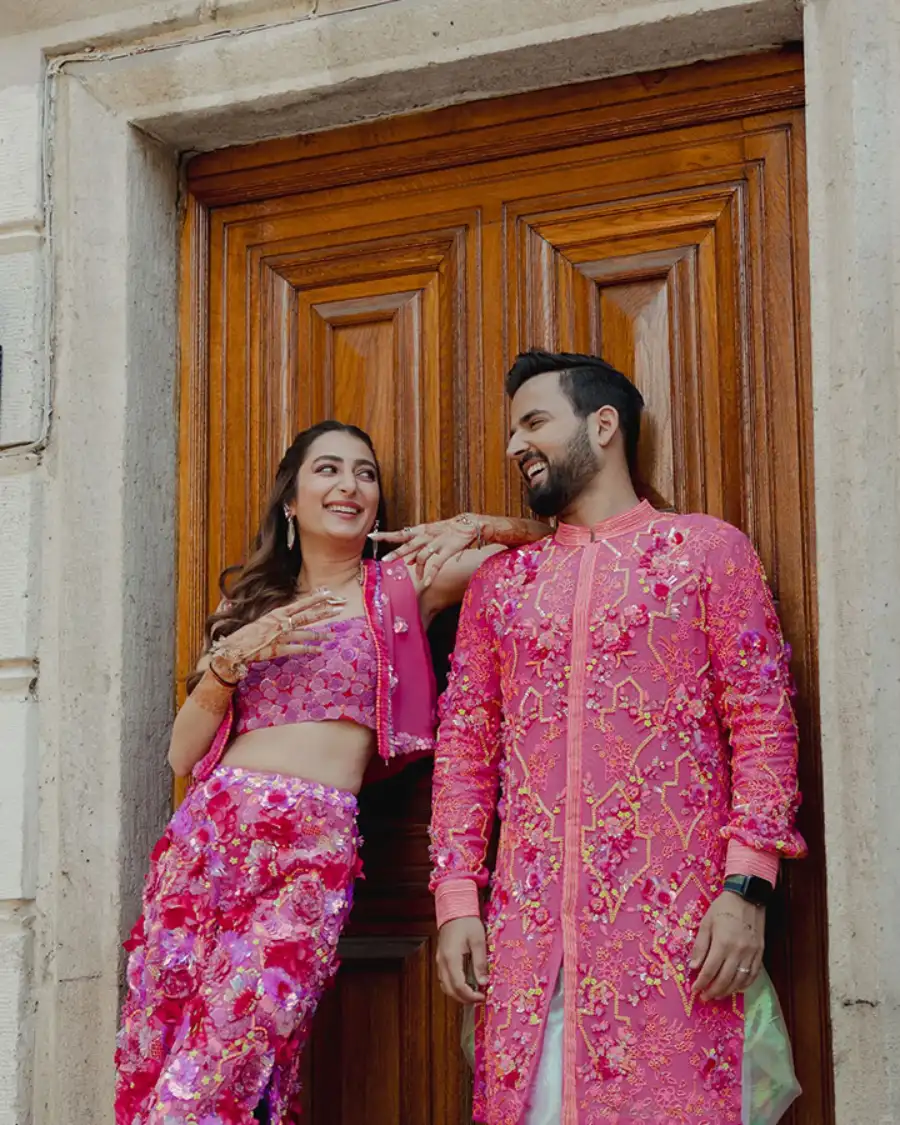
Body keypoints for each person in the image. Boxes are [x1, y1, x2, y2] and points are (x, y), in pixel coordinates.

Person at [114, 419, 547, 1125]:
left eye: (365, 473)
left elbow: (556, 548)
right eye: (329, 469)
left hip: (309, 851)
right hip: (207, 844)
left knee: (227, 1058)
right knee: (167, 1047)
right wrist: (230, 660)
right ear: (291, 498)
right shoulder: (247, 604)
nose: (349, 485)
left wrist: (482, 522)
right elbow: (181, 755)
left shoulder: (403, 585)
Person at [427, 351, 807, 1125]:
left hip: (677, 937)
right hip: (528, 941)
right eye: (511, 430)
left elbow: (764, 724)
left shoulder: (708, 551)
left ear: (603, 426)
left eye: (534, 422)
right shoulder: (503, 586)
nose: (514, 446)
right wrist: (455, 895)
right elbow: (465, 748)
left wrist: (747, 888)